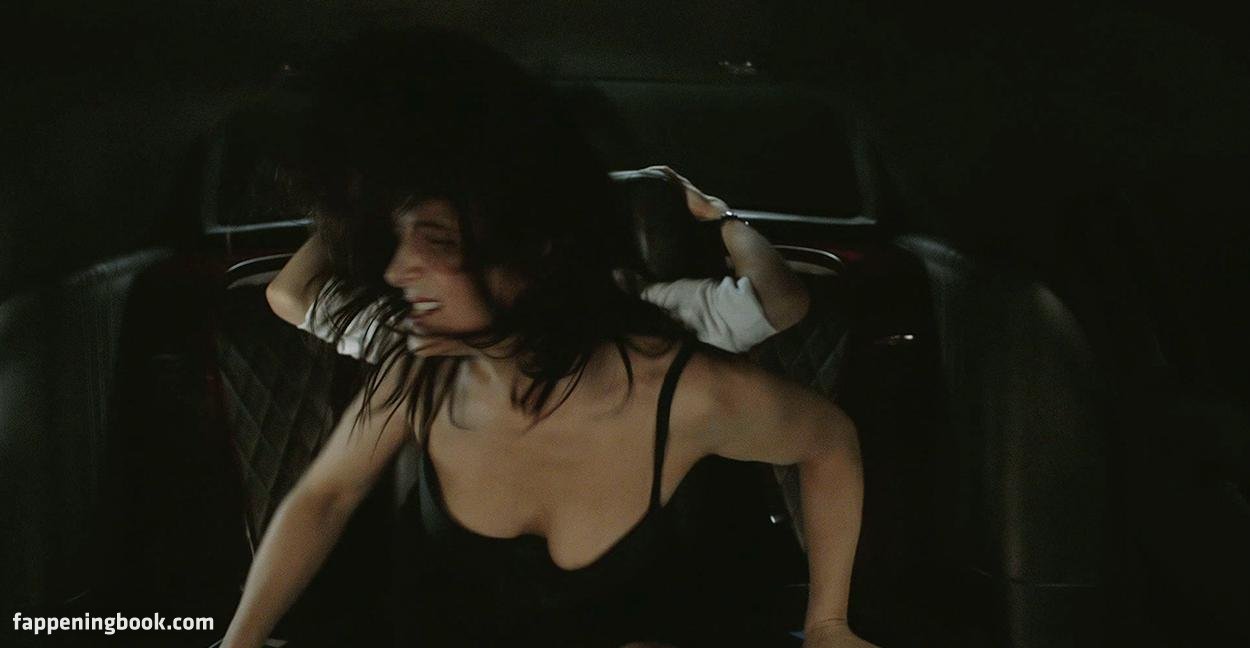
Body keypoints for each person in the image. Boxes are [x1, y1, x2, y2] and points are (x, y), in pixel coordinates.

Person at [221, 29, 874, 648]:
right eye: (392, 238)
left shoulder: (682, 390)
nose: (396, 271)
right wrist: (240, 638)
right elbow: (325, 496)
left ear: (534, 249)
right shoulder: (416, 371)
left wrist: (828, 625)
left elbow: (828, 442)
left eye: (437, 241)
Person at [266, 166, 810, 359]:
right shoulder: (426, 327)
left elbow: (780, 301)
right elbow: (288, 295)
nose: (401, 269)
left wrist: (718, 218)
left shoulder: (623, 308)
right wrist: (364, 204)